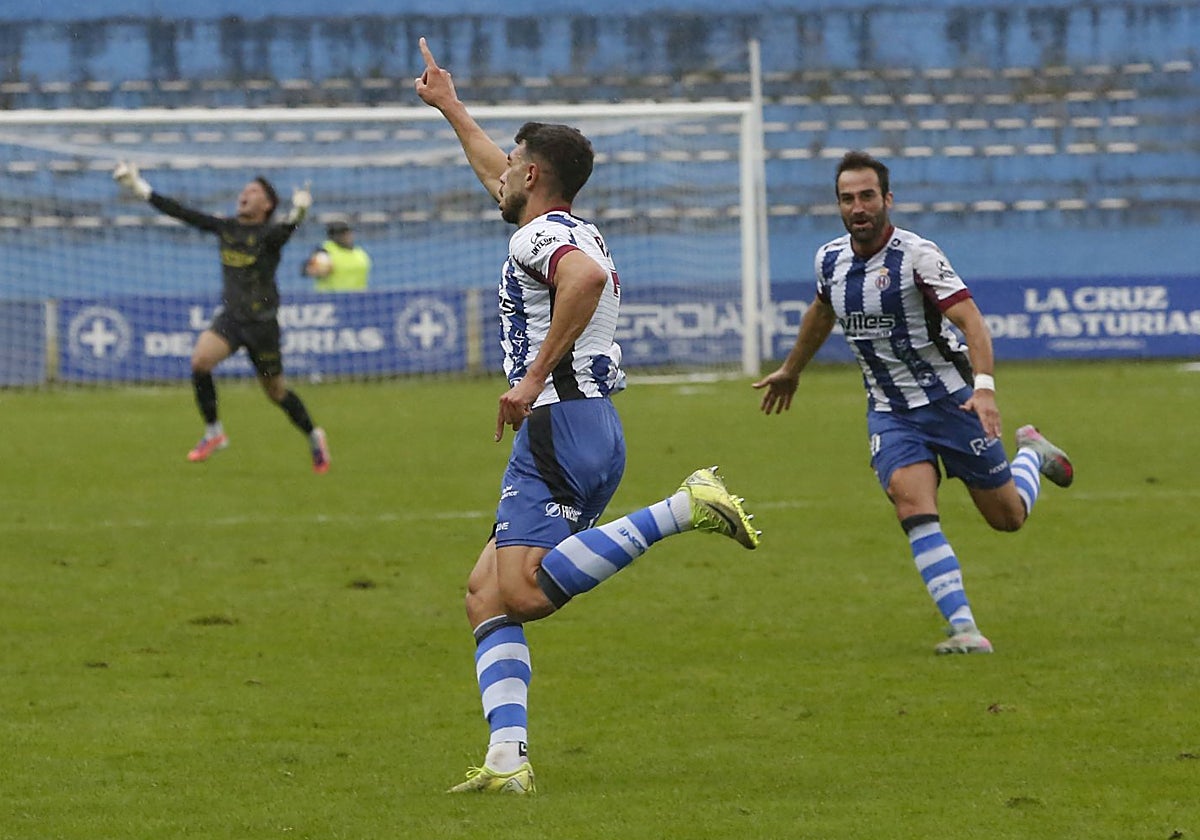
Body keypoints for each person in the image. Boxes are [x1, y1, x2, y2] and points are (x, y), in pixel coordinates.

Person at [414, 36, 760, 795]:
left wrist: (531, 377)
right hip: (586, 426)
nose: (502, 171)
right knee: (485, 594)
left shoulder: (547, 239)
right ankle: (507, 760)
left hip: (558, 424)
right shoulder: (562, 224)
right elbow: (504, 185)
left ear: (534, 174)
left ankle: (683, 508)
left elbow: (586, 280)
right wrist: (451, 107)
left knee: (523, 591)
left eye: (513, 162)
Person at [753, 150, 1073, 655]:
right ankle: (965, 629)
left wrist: (984, 389)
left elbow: (971, 320)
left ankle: (1031, 453)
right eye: (847, 199)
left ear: (887, 199)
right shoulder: (829, 260)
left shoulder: (917, 256)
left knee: (1008, 517)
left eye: (867, 196)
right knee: (913, 504)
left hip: (951, 402)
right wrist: (792, 369)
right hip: (890, 412)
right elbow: (822, 311)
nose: (858, 207)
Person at [112, 162, 331, 473]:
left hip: (262, 325)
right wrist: (139, 187)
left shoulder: (268, 236)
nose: (245, 194)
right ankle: (214, 432)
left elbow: (286, 230)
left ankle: (313, 435)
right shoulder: (226, 228)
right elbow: (182, 212)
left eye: (253, 191)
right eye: (245, 190)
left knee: (276, 392)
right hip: (232, 319)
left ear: (267, 205)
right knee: (200, 362)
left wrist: (299, 212)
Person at [303, 218, 372, 292]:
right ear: (332, 236)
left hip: (359, 297)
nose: (346, 236)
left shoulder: (360, 253)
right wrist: (317, 270)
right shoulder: (325, 250)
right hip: (331, 296)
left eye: (346, 232)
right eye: (341, 233)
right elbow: (307, 270)